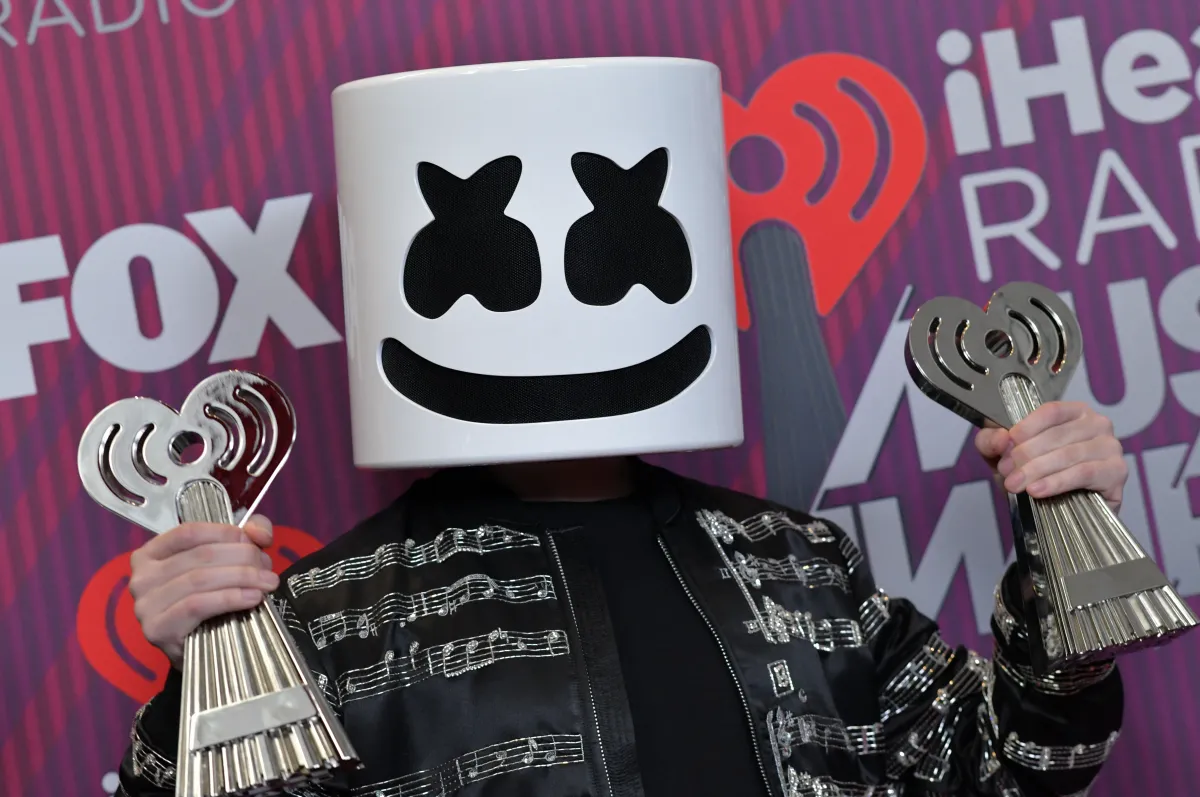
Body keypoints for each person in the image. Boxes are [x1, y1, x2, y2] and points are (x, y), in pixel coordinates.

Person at [115, 58, 1125, 797]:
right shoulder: (331, 614)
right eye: (478, 265)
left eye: (624, 253)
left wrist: (1066, 545)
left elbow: (1011, 760)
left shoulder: (794, 560)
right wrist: (192, 680)